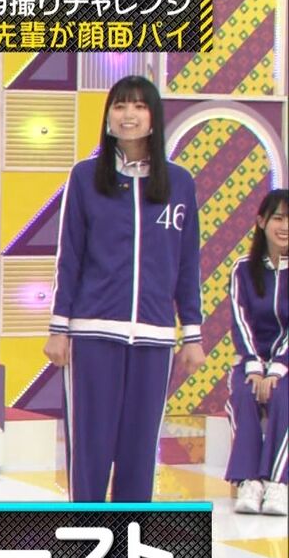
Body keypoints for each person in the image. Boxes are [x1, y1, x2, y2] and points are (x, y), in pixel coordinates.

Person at [44, 75, 205, 503]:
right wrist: (59, 328)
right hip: (92, 334)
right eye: (119, 105)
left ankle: (129, 538)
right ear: (108, 116)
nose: (128, 114)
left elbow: (187, 262)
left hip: (154, 337)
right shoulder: (84, 177)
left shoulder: (179, 183)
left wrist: (191, 334)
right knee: (90, 450)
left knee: (139, 453)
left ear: (154, 117)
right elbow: (70, 256)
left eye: (139, 106)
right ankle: (87, 536)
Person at [225, 189, 288, 515]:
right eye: (278, 218)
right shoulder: (243, 269)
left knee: (284, 397)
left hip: (286, 365)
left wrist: (277, 368)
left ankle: (278, 483)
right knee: (243, 393)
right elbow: (240, 321)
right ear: (262, 221)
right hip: (251, 361)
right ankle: (249, 481)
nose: (285, 226)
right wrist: (254, 366)